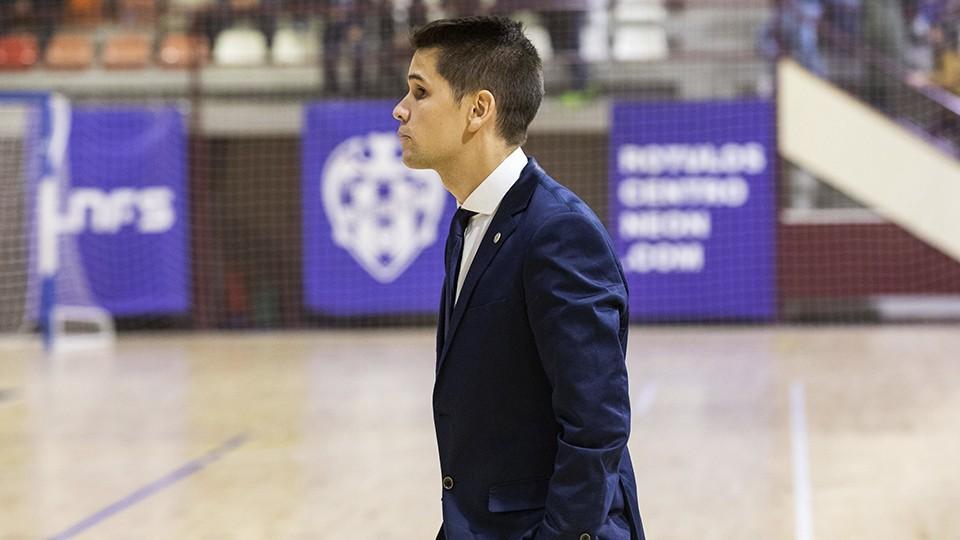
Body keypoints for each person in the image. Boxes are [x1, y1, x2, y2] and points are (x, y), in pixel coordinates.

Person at [392, 16, 644, 540]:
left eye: (420, 91)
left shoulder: (559, 232)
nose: (401, 108)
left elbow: (596, 424)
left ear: (479, 109)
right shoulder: (468, 224)